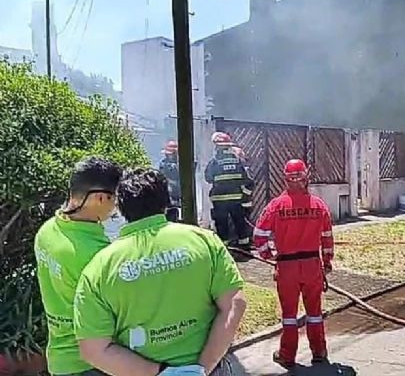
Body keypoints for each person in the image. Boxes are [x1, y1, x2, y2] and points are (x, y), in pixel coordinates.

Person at [74, 168, 247, 376]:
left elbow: (94, 350)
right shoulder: (204, 241)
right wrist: (201, 369)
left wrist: (161, 373)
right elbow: (234, 304)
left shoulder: (98, 268)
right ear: (166, 201)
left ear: (120, 208)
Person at [34, 157, 123, 376]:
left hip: (61, 360)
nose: (116, 208)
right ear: (101, 198)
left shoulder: (47, 231)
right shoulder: (96, 253)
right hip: (94, 365)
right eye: (116, 199)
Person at [252, 159, 334, 370]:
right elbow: (327, 237)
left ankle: (287, 355)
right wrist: (326, 262)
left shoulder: (276, 206)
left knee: (289, 315)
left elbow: (259, 235)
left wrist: (268, 255)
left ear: (285, 178)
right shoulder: (318, 205)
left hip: (287, 267)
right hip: (312, 265)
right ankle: (319, 351)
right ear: (306, 177)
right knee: (314, 312)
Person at [204, 132, 254, 251]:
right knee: (240, 222)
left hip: (219, 200)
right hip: (237, 199)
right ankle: (244, 245)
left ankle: (224, 247)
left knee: (222, 224)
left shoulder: (214, 162)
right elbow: (249, 180)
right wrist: (245, 195)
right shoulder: (238, 161)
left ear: (217, 146)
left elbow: (208, 178)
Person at [159, 140, 181, 222]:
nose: (168, 155)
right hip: (168, 195)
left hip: (180, 196)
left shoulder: (182, 162)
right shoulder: (163, 163)